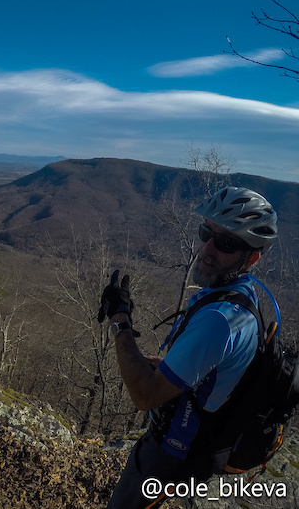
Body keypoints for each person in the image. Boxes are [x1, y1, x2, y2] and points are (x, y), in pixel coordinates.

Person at [98, 186, 279, 509]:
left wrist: (120, 319)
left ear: (252, 257)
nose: (207, 248)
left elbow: (144, 396)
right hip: (194, 451)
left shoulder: (221, 320)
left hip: (171, 457)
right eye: (205, 232)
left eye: (225, 243)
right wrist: (164, 367)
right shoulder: (242, 294)